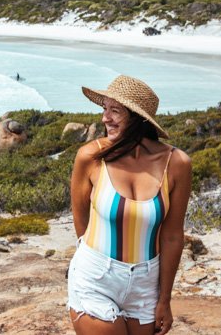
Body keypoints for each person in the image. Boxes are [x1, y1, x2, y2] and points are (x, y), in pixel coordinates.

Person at [68, 75, 191, 335]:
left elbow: (171, 237)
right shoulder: (90, 157)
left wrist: (165, 300)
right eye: (104, 108)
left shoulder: (176, 163)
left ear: (138, 119)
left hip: (146, 283)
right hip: (96, 277)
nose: (105, 118)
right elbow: (81, 222)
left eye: (115, 110)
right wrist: (95, 262)